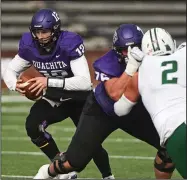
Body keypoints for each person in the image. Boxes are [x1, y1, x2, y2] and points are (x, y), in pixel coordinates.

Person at [34, 24, 175, 179]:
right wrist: (131, 68)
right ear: (116, 50)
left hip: (135, 111)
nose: (129, 54)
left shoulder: (153, 59)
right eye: (124, 50)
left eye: (134, 48)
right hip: (102, 111)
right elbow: (115, 94)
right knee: (74, 162)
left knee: (171, 147)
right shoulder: (107, 63)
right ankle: (46, 172)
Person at [3, 8, 114, 179]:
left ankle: (108, 176)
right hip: (55, 97)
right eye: (37, 32)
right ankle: (61, 169)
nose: (41, 36)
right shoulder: (29, 46)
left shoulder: (68, 43)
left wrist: (47, 82)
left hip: (79, 98)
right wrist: (15, 85)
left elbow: (85, 83)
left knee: (91, 142)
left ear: (55, 30)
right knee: (33, 125)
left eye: (45, 31)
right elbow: (11, 70)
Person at [116, 27, 186, 178]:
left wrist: (131, 68)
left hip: (175, 132)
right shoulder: (183, 55)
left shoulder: (141, 73)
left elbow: (120, 109)